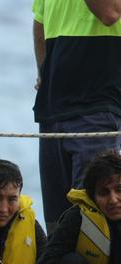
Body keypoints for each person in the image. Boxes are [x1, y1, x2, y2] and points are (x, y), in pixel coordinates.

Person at [33, 0, 121, 234]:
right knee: (57, 223)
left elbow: (110, 13)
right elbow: (39, 21)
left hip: (96, 107)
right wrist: (44, 72)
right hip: (52, 109)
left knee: (97, 221)